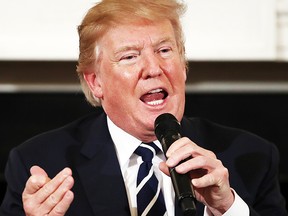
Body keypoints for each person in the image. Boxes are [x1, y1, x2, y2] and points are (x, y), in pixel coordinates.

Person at [0, 0, 287, 215]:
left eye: (165, 51)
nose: (153, 68)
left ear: (183, 67)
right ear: (96, 82)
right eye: (130, 56)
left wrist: (228, 208)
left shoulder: (252, 158)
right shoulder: (39, 164)